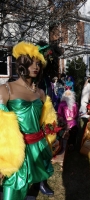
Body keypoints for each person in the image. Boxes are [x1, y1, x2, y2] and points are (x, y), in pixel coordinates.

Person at [0, 41, 58, 200]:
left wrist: (52, 134)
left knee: (29, 186)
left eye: (38, 62)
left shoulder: (40, 93)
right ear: (22, 63)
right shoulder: (6, 90)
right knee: (12, 193)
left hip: (37, 148)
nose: (36, 66)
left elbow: (46, 120)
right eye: (31, 62)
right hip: (16, 152)